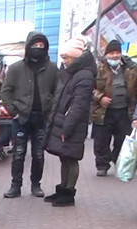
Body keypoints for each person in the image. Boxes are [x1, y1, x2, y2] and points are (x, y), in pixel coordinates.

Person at [0, 32, 59, 198]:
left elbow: (58, 92)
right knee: (19, 153)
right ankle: (15, 185)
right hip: (21, 117)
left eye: (41, 46)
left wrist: (50, 109)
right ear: (28, 47)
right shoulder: (16, 68)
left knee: (39, 154)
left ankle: (36, 185)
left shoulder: (52, 68)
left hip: (42, 118)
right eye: (35, 45)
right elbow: (5, 91)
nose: (38, 48)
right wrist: (13, 111)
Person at [43, 37, 96, 207]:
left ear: (75, 57)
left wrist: (67, 128)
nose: (63, 60)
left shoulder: (84, 76)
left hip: (72, 125)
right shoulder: (70, 73)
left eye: (66, 57)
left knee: (71, 158)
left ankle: (68, 194)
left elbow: (78, 105)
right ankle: (62, 190)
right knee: (64, 157)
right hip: (63, 121)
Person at [92, 39, 137, 176]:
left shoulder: (131, 69)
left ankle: (118, 161)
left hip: (124, 111)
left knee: (122, 139)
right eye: (111, 53)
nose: (114, 56)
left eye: (117, 52)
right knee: (101, 140)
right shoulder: (98, 68)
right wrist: (100, 97)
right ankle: (102, 165)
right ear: (106, 55)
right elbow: (90, 88)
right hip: (103, 112)